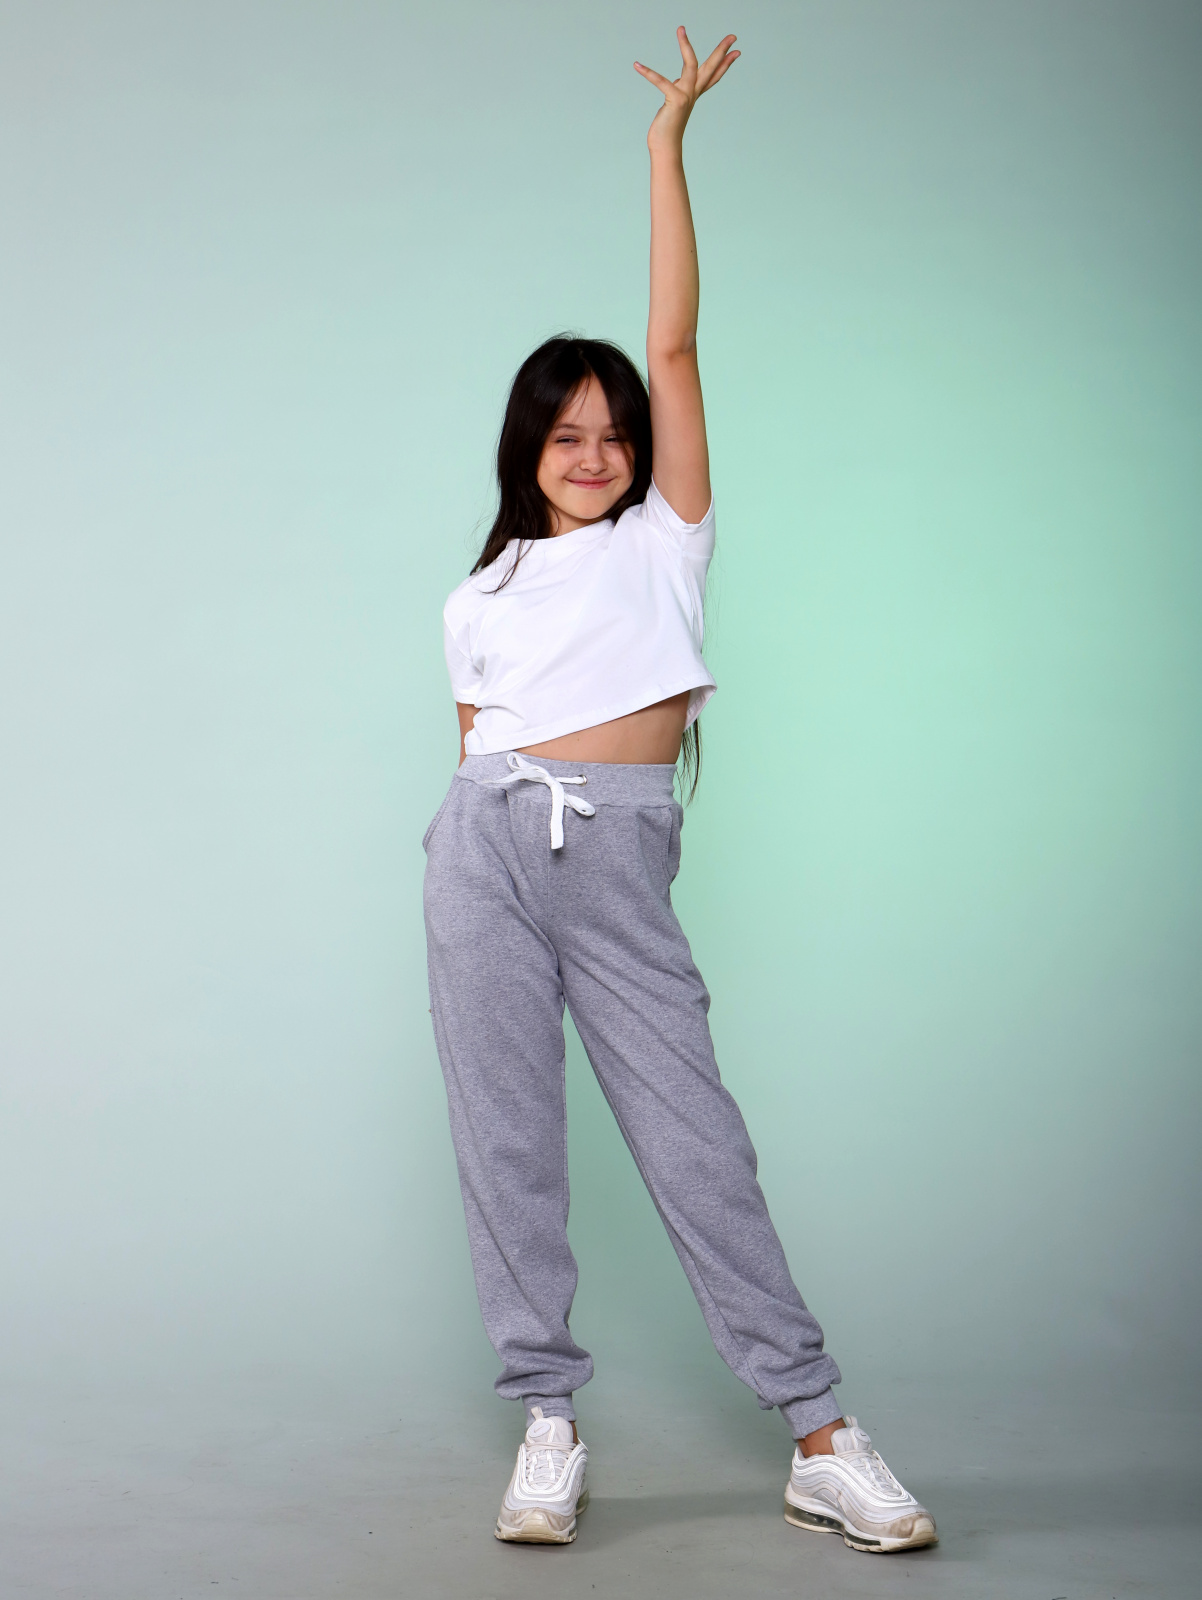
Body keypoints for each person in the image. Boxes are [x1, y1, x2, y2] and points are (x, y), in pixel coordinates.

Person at [422, 27, 937, 1556]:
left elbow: (676, 346)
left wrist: (665, 150)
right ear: (527, 448)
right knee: (507, 1145)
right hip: (481, 848)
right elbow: (470, 740)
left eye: (611, 436)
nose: (592, 453)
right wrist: (472, 832)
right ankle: (547, 1424)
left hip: (615, 856)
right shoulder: (478, 593)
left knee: (696, 1144)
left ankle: (819, 1433)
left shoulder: (667, 538)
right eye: (564, 434)